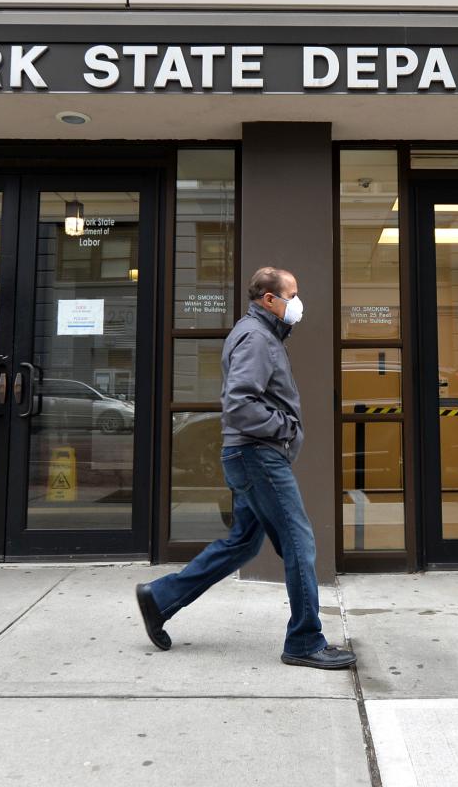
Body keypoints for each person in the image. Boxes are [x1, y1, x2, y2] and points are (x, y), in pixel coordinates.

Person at [134, 266, 357, 670]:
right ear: (269, 299)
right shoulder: (256, 337)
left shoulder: (263, 334)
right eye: (293, 294)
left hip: (251, 454)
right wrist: (284, 428)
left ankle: (160, 597)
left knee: (242, 544)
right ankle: (305, 641)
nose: (298, 303)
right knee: (300, 543)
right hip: (258, 456)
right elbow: (239, 403)